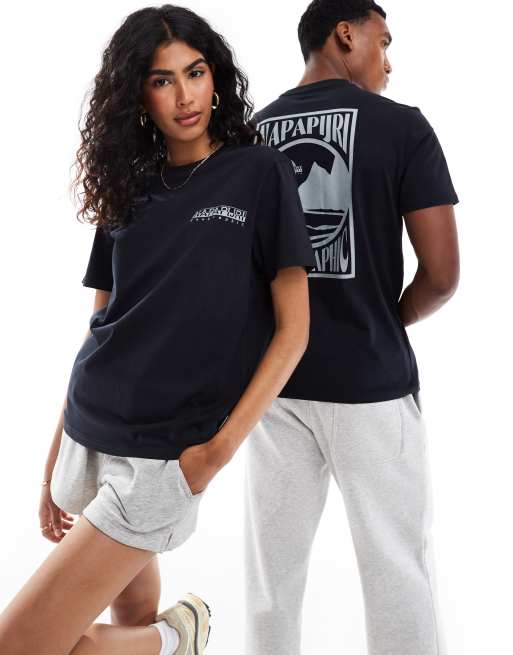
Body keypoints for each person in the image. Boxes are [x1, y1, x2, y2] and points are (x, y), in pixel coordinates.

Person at [0, 5, 316, 655]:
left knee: (22, 642)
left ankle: (176, 636)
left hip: (165, 456)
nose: (184, 96)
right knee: (127, 611)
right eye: (161, 80)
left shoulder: (258, 173)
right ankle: (160, 632)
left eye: (194, 73)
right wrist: (52, 459)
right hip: (89, 430)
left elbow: (294, 329)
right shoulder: (128, 186)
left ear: (215, 77)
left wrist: (216, 452)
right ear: (137, 96)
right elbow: (101, 326)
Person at [244, 1, 460, 654]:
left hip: (275, 388)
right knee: (396, 571)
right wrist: (386, 318)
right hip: (371, 383)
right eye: (383, 41)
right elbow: (442, 274)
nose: (388, 62)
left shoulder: (250, 134)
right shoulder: (401, 127)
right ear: (346, 34)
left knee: (271, 581)